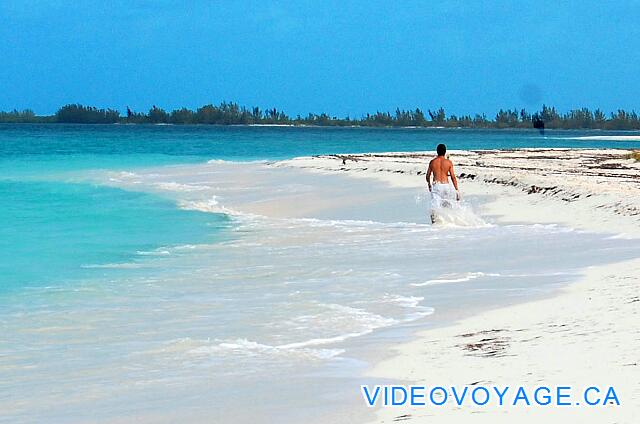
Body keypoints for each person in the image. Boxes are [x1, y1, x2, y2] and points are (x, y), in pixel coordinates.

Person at [426, 144, 460, 223]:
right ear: (445, 152)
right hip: (446, 186)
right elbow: (453, 177)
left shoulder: (432, 162)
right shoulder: (448, 162)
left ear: (437, 152)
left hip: (436, 186)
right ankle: (449, 222)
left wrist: (429, 184)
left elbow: (428, 176)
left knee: (435, 208)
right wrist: (457, 190)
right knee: (447, 205)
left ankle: (435, 225)